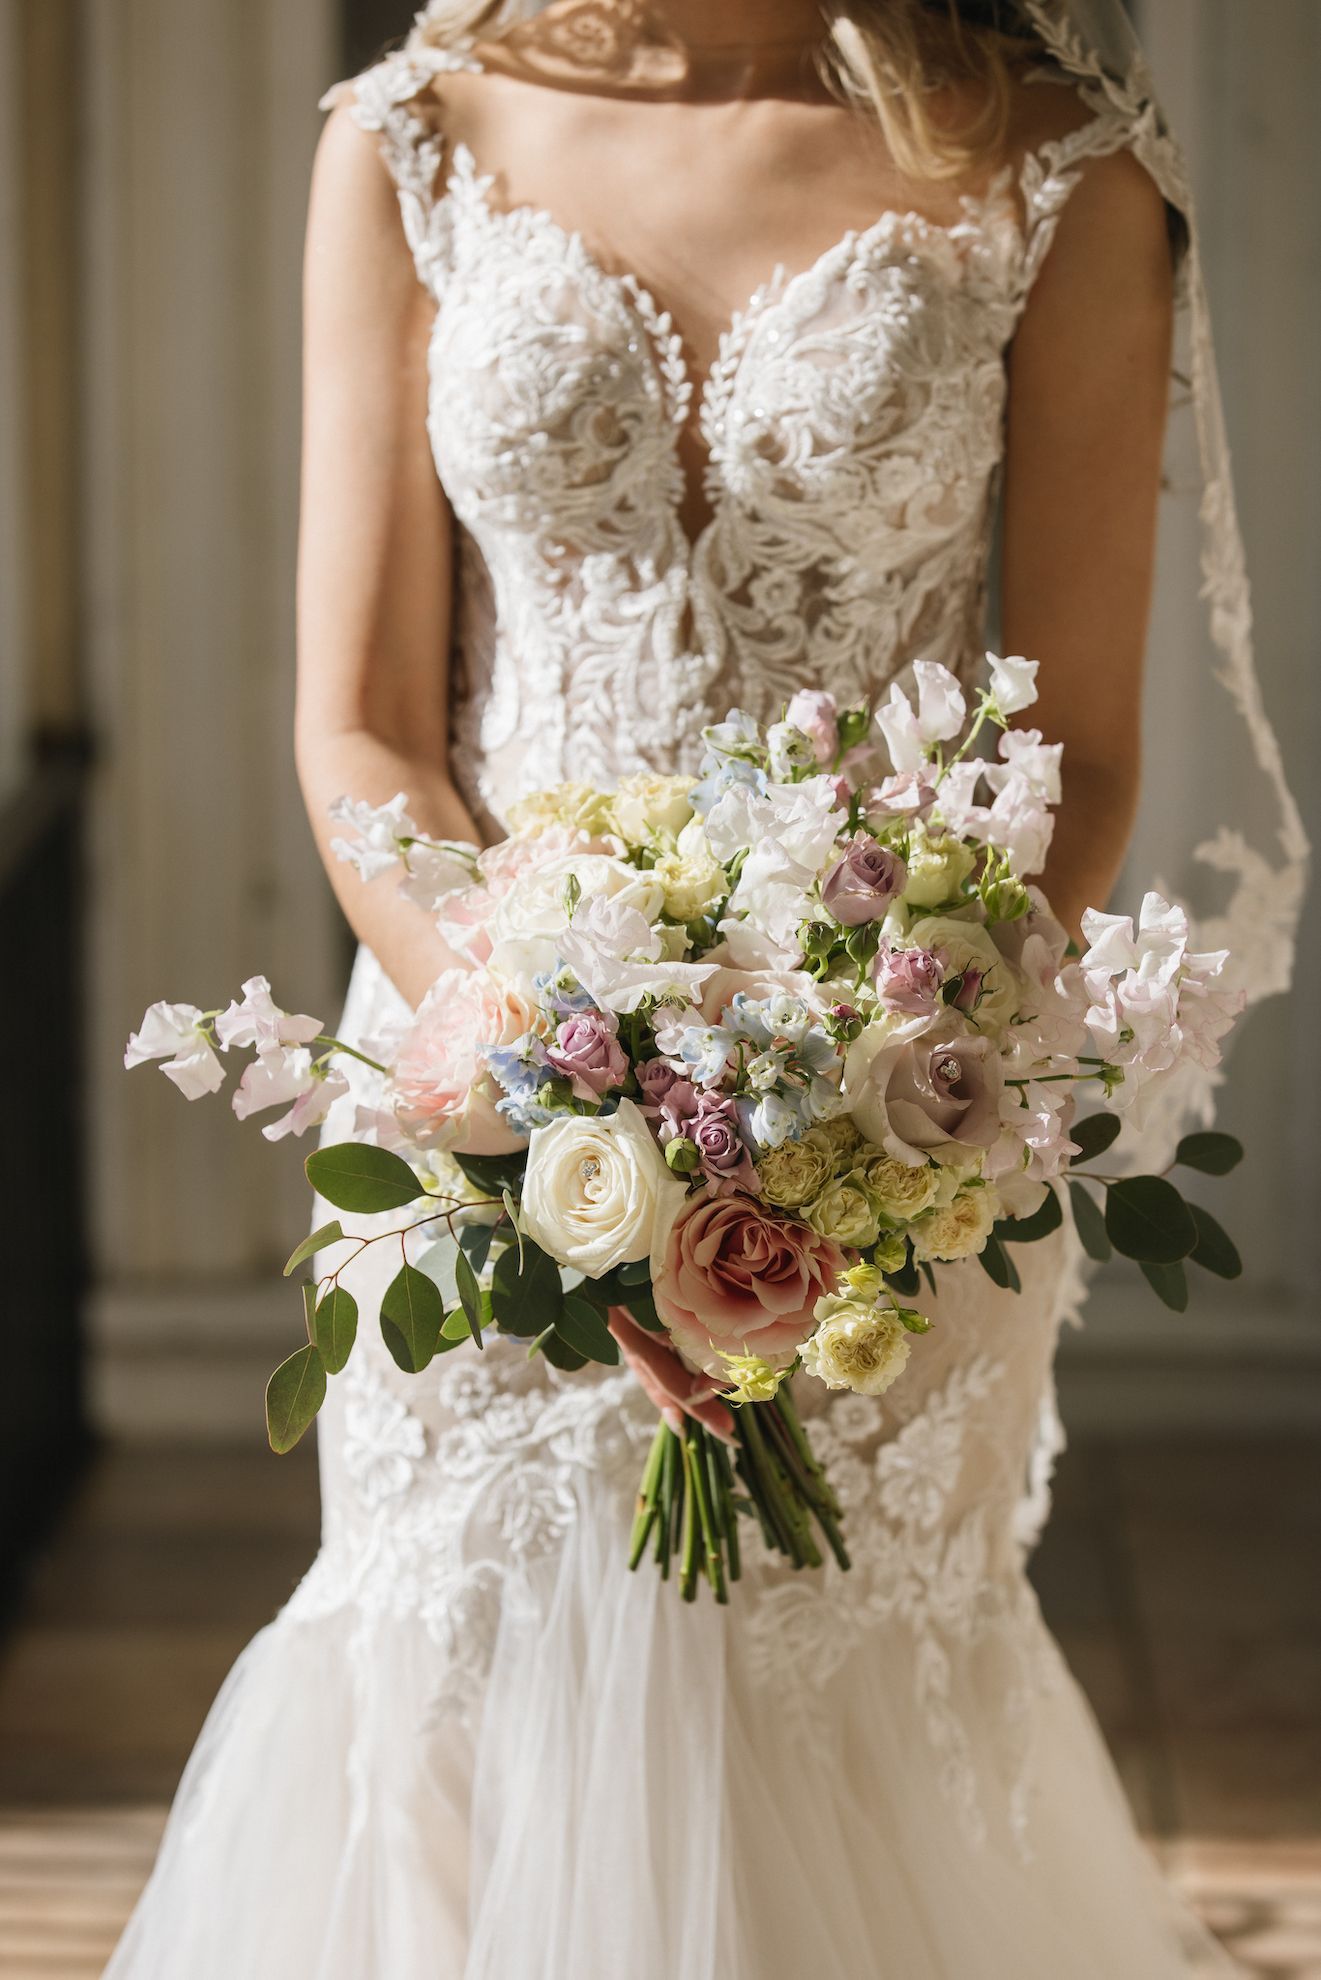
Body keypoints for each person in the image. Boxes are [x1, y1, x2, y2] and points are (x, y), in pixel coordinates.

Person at [107, 2, 1271, 1972]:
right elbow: (364, 728)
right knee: (460, 1728)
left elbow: (1074, 744)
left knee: (835, 1730)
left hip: (896, 1112)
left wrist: (846, 1113)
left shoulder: (1057, 162)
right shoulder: (413, 137)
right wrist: (559, 1094)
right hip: (482, 1098)